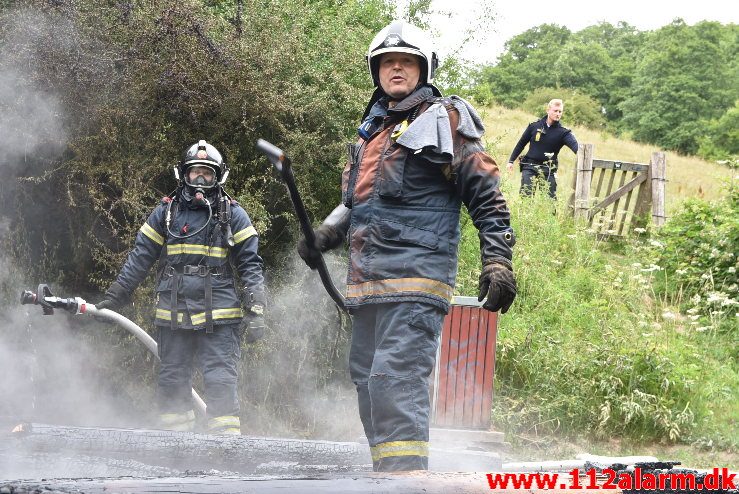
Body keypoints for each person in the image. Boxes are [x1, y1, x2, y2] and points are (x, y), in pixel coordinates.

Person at [297, 21, 516, 472]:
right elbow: (354, 204)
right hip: (368, 286)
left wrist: (497, 260)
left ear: (423, 69)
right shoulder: (370, 136)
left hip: (416, 279)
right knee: (368, 384)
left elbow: (486, 195)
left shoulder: (446, 120)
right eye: (388, 62)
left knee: (394, 381)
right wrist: (325, 234)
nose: (396, 69)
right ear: (376, 71)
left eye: (407, 62)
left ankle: (406, 481)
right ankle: (387, 474)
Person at [96, 140, 266, 435]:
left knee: (220, 380)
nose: (200, 180)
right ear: (183, 175)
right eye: (195, 173)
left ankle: (226, 451)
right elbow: (141, 257)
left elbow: (251, 264)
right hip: (174, 314)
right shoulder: (166, 213)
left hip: (219, 316)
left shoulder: (232, 214)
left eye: (207, 174)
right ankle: (177, 451)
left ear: (218, 177)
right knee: (172, 381)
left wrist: (257, 307)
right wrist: (116, 296)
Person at [507, 99, 578, 197]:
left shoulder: (564, 133)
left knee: (549, 202)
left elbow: (577, 148)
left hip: (548, 170)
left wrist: (584, 155)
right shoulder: (534, 126)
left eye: (560, 111)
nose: (558, 114)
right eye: (555, 111)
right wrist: (511, 161)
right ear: (548, 110)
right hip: (529, 166)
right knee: (526, 198)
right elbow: (521, 144)